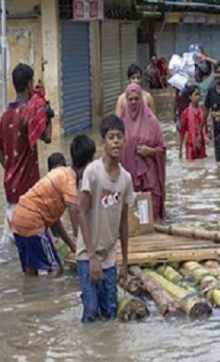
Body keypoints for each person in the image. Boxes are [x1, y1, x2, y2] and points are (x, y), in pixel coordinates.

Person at [10, 136, 95, 277]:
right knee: (56, 269)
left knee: (31, 269)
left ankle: (32, 297)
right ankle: (50, 298)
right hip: (32, 221)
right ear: (88, 165)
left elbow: (55, 219)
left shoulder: (62, 173)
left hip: (18, 217)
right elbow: (76, 221)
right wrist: (87, 250)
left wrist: (71, 245)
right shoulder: (69, 183)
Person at [77, 115, 134, 323]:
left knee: (110, 312)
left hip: (110, 256)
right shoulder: (92, 173)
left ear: (125, 141)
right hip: (88, 254)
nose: (116, 141)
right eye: (111, 137)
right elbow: (81, 212)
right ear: (104, 142)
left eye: (120, 137)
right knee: (91, 311)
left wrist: (125, 263)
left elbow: (124, 222)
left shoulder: (126, 179)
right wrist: (91, 256)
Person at [0, 64, 52, 244]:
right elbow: (48, 137)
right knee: (37, 244)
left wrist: (13, 169)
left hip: (11, 189)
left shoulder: (5, 116)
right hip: (29, 191)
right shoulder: (30, 112)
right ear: (29, 84)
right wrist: (48, 114)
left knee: (12, 245)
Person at [120, 84, 167, 221]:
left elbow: (163, 148)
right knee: (134, 219)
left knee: (150, 217)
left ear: (142, 99)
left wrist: (151, 152)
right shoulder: (121, 124)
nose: (134, 102)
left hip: (149, 180)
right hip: (129, 179)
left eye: (136, 98)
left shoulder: (152, 122)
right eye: (130, 99)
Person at [179, 85, 207, 161]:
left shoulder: (203, 110)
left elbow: (206, 126)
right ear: (190, 97)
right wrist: (180, 150)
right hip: (190, 144)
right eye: (196, 95)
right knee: (191, 167)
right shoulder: (186, 113)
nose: (198, 97)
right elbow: (182, 131)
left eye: (199, 94)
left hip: (201, 143)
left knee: (202, 166)